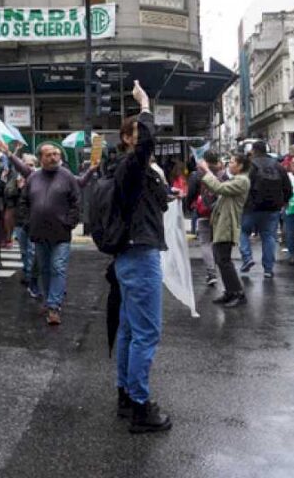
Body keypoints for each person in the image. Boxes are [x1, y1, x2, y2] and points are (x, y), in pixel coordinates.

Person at [109, 80, 172, 434]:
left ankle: (126, 394)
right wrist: (145, 104)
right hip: (139, 253)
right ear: (128, 139)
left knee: (132, 331)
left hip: (130, 252)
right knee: (146, 333)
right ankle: (139, 406)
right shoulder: (132, 165)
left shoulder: (136, 171)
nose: (145, 135)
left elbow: (147, 203)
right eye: (137, 132)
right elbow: (148, 139)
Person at [1, 139, 82, 326]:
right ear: (41, 158)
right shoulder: (33, 178)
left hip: (61, 233)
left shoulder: (67, 176)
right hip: (38, 232)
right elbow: (24, 203)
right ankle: (48, 299)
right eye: (49, 155)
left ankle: (54, 306)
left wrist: (70, 223)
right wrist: (28, 224)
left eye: (56, 154)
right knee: (44, 269)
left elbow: (76, 202)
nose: (54, 157)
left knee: (58, 267)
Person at [197, 152, 251, 307]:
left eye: (233, 162)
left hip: (227, 224)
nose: (230, 164)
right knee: (220, 260)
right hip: (221, 223)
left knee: (224, 260)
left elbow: (219, 188)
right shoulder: (237, 179)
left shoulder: (242, 180)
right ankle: (230, 291)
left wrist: (207, 170)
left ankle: (238, 294)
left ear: (240, 166)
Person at [238, 140, 291, 279]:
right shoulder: (278, 166)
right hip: (272, 208)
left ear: (254, 151)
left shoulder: (251, 166)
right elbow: (288, 187)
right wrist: (285, 201)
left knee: (243, 232)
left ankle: (247, 258)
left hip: (251, 207)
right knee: (268, 236)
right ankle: (268, 269)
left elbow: (243, 186)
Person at [5, 153, 40, 298]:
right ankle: (27, 272)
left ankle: (32, 278)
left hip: (33, 220)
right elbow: (8, 193)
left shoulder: (38, 178)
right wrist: (18, 187)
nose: (28, 167)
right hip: (19, 220)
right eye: (26, 164)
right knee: (24, 251)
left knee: (32, 251)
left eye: (31, 165)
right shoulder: (15, 177)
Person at [189, 151, 222, 287]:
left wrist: (189, 206)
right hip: (219, 212)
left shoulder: (198, 174)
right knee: (216, 242)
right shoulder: (222, 173)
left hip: (203, 212)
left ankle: (211, 272)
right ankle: (220, 269)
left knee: (205, 242)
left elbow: (191, 193)